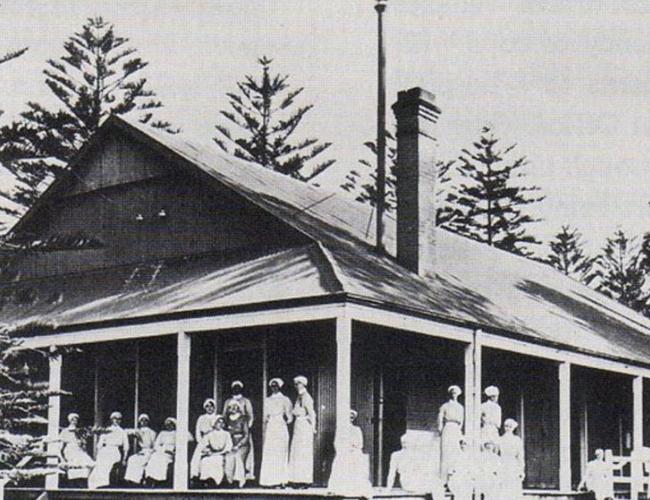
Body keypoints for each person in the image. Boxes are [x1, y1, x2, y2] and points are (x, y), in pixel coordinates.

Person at [327, 409, 372, 498]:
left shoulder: (356, 429)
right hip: (343, 452)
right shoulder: (340, 430)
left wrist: (354, 446)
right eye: (348, 417)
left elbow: (360, 443)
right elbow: (336, 442)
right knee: (341, 462)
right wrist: (342, 450)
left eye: (352, 417)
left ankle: (356, 489)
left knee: (356, 462)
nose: (350, 418)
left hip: (354, 452)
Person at [385, 433, 445, 499]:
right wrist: (388, 489)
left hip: (417, 479)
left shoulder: (415, 455)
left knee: (436, 484)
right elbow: (391, 473)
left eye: (408, 442)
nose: (406, 444)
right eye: (404, 442)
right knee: (434, 487)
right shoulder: (396, 455)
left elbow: (423, 470)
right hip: (407, 481)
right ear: (402, 443)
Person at [259, 377, 293, 487]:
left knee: (280, 452)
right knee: (270, 453)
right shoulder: (267, 400)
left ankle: (281, 480)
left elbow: (290, 417)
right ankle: (269, 481)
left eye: (276, 385)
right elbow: (265, 417)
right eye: (272, 386)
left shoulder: (285, 399)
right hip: (271, 428)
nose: (274, 388)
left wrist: (284, 421)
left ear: (280, 386)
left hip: (280, 426)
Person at [223, 380, 255, 480]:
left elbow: (250, 415)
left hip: (243, 431)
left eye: (238, 387)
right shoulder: (228, 401)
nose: (236, 389)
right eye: (234, 387)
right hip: (231, 431)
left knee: (243, 454)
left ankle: (245, 474)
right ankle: (230, 477)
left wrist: (246, 428)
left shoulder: (245, 401)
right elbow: (224, 415)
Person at [88, 411, 129, 489]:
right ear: (111, 420)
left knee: (107, 464)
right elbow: (99, 444)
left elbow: (126, 447)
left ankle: (104, 484)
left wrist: (124, 459)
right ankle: (96, 484)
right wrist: (98, 453)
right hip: (105, 451)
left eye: (118, 419)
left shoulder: (122, 432)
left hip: (115, 451)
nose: (116, 420)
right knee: (99, 465)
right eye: (114, 418)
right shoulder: (107, 430)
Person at [289, 375, 317, 487]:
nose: (297, 386)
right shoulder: (299, 397)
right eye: (296, 384)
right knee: (297, 452)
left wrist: (312, 427)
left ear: (304, 384)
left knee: (303, 452)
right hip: (298, 425)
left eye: (299, 383)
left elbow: (311, 413)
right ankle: (296, 479)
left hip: (304, 426)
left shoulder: (306, 397)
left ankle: (305, 480)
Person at [58, 412, 95, 486]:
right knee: (73, 468)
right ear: (70, 420)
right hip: (70, 451)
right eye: (73, 419)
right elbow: (60, 447)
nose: (75, 421)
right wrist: (61, 458)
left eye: (76, 420)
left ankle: (83, 484)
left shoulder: (79, 431)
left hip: (79, 450)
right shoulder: (65, 431)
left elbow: (84, 444)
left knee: (87, 465)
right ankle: (73, 484)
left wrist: (82, 443)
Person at [437, 385, 464, 483]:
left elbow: (461, 422)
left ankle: (454, 479)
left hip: (456, 429)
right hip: (447, 428)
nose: (454, 395)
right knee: (446, 453)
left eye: (456, 393)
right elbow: (440, 419)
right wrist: (440, 429)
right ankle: (443, 480)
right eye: (453, 393)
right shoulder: (445, 406)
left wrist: (459, 432)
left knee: (455, 453)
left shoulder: (460, 407)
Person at [198, 415, 233, 487]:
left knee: (217, 461)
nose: (220, 424)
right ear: (214, 423)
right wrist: (207, 451)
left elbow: (229, 446)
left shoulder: (226, 434)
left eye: (222, 422)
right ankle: (206, 480)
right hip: (212, 453)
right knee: (205, 460)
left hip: (221, 454)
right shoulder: (209, 434)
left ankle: (217, 481)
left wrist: (221, 452)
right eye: (218, 422)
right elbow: (203, 445)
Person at [124, 413, 157, 485]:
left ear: (148, 422)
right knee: (132, 459)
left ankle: (138, 479)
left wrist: (150, 451)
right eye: (142, 420)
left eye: (145, 420)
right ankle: (131, 479)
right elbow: (127, 431)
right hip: (142, 451)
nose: (143, 422)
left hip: (149, 451)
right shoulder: (138, 431)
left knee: (141, 461)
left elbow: (154, 445)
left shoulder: (152, 432)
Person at [190, 398, 218, 481]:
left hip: (215, 440)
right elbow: (197, 431)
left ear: (214, 407)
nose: (209, 408)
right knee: (196, 457)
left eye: (211, 406)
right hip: (203, 440)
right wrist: (201, 442)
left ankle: (211, 478)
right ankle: (195, 476)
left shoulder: (217, 417)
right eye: (207, 406)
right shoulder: (201, 418)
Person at [144, 417, 178, 486]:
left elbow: (190, 439)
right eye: (167, 424)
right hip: (161, 450)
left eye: (171, 424)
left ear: (174, 425)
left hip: (170, 452)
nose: (169, 426)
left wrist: (172, 451)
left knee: (162, 460)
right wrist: (163, 449)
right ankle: (151, 478)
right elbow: (156, 445)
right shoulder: (162, 433)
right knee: (154, 458)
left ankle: (159, 480)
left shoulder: (177, 433)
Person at [224, 400, 249, 487]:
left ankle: (240, 481)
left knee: (238, 456)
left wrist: (239, 445)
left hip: (242, 445)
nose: (233, 408)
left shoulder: (243, 419)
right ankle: (230, 481)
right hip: (231, 444)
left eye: (235, 406)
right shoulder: (227, 420)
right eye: (231, 407)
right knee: (229, 457)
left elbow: (246, 435)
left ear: (238, 408)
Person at [499, 418, 525, 499]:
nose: (508, 428)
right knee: (503, 488)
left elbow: (520, 456)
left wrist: (521, 470)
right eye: (506, 426)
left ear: (513, 428)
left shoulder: (517, 440)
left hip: (513, 466)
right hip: (503, 464)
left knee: (513, 488)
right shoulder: (500, 439)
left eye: (510, 426)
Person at [480, 386, 502, 451]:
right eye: (496, 396)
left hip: (489, 429)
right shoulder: (484, 406)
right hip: (489, 429)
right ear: (492, 397)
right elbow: (498, 423)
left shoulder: (496, 407)